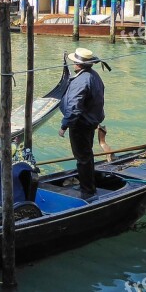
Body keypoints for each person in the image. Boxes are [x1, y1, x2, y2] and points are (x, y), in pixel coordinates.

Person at [58, 48, 106, 198]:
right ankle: (88, 186)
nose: (73, 63)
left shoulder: (81, 81)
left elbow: (74, 107)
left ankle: (88, 190)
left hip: (80, 124)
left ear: (79, 65)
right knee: (86, 155)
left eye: (75, 62)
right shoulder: (94, 76)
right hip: (90, 122)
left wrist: (64, 125)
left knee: (83, 158)